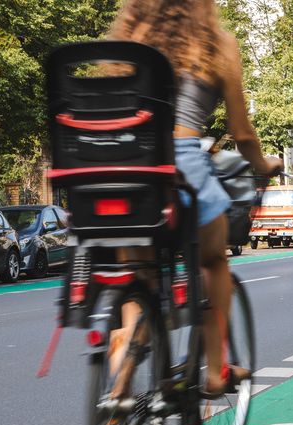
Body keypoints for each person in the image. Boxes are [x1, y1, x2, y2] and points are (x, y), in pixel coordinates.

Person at [106, 0, 283, 397]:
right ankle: (217, 371)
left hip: (126, 173)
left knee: (141, 277)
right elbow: (242, 133)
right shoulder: (217, 44)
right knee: (214, 259)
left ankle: (120, 371)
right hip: (181, 169)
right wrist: (263, 164)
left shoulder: (128, 43)